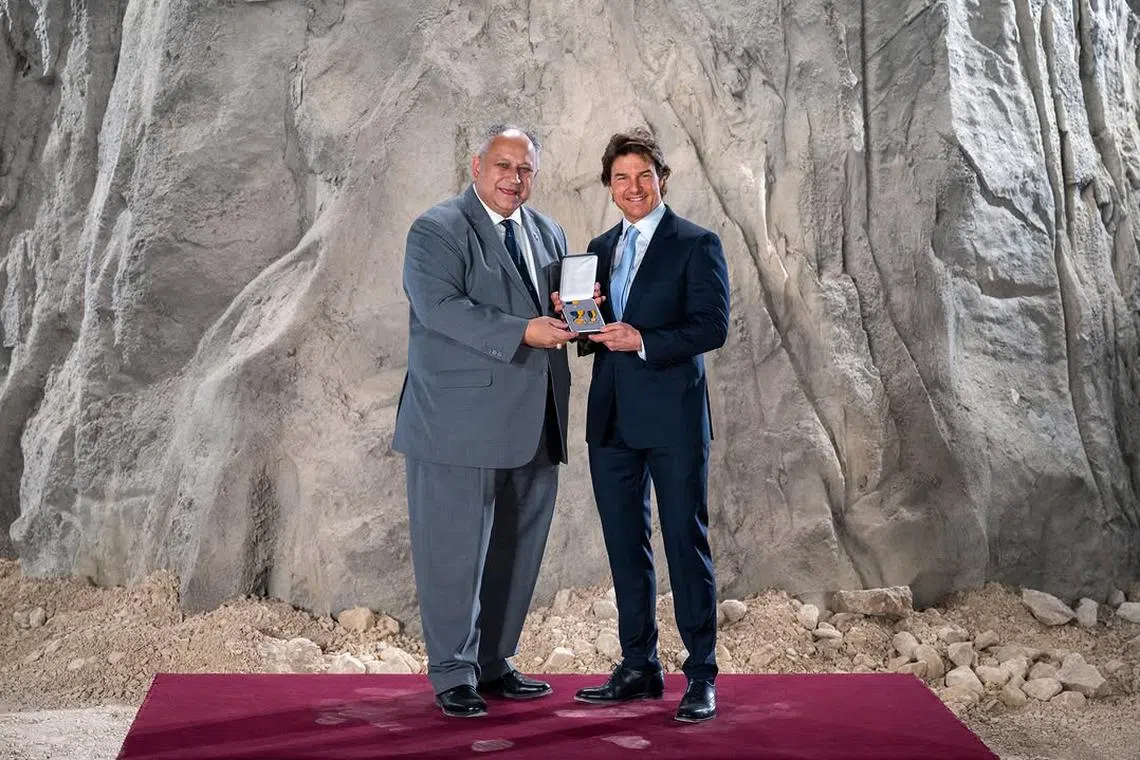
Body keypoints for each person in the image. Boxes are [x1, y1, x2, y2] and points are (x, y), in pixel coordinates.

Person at [392, 124, 574, 718]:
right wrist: (524, 329)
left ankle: (495, 663)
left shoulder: (548, 231)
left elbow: (557, 309)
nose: (513, 178)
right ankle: (452, 674)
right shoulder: (436, 230)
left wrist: (582, 311)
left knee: (518, 552)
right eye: (503, 165)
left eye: (525, 169)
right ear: (476, 165)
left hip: (535, 420)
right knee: (454, 553)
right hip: (456, 425)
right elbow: (441, 309)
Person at [571, 128, 730, 723]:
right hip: (611, 417)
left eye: (643, 176)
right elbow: (597, 331)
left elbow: (712, 327)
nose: (632, 187)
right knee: (624, 545)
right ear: (609, 187)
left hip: (674, 418)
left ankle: (701, 675)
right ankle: (638, 665)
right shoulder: (598, 247)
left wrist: (645, 341)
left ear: (662, 179)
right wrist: (579, 323)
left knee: (685, 543)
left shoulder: (696, 243)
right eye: (620, 178)